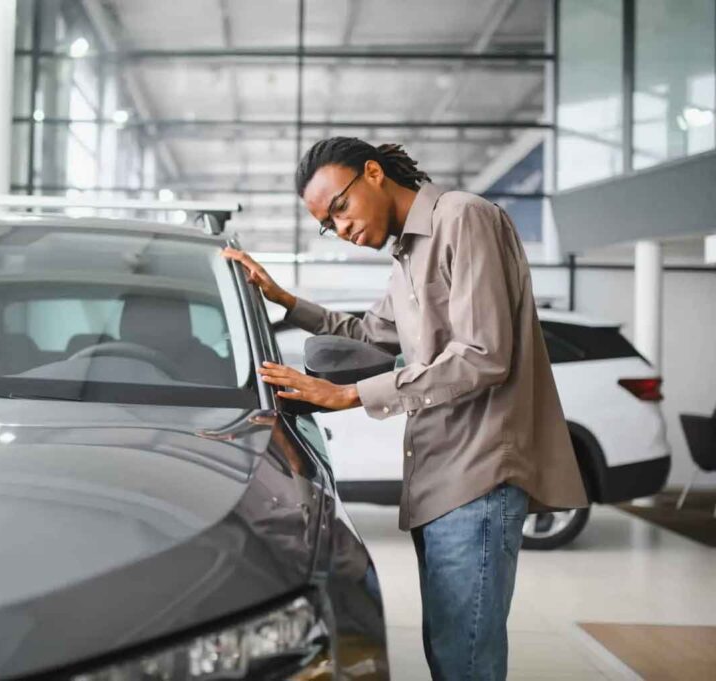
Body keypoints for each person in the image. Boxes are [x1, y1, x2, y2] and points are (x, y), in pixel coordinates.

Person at [222, 137, 588, 681]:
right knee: (448, 649)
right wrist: (285, 300)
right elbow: (368, 334)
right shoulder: (408, 254)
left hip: (478, 474)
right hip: (440, 478)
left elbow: (483, 355)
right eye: (328, 224)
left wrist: (349, 395)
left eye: (339, 209)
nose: (341, 229)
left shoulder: (462, 219)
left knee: (464, 660)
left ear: (373, 173)